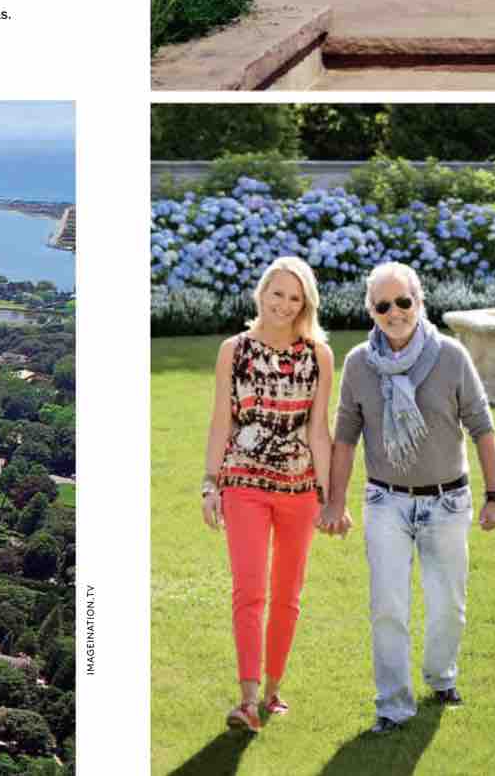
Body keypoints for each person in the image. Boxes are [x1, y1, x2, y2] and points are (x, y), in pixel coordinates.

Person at [322, 261, 495, 734]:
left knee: (448, 605)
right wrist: (333, 502)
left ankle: (442, 677)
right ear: (372, 310)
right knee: (388, 607)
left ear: (419, 302)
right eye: (383, 305)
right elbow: (345, 436)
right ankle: (392, 705)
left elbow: (482, 427)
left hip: (447, 503)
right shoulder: (360, 363)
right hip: (386, 503)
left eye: (403, 301)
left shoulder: (451, 356)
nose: (395, 312)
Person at [202, 254, 336, 733]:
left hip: (300, 490)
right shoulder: (233, 350)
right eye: (276, 293)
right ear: (261, 293)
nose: (283, 304)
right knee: (249, 590)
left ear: (305, 304)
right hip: (243, 484)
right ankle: (247, 698)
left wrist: (328, 494)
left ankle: (275, 689)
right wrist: (209, 484)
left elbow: (320, 430)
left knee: (288, 594)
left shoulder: (318, 355)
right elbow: (223, 420)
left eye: (294, 297)